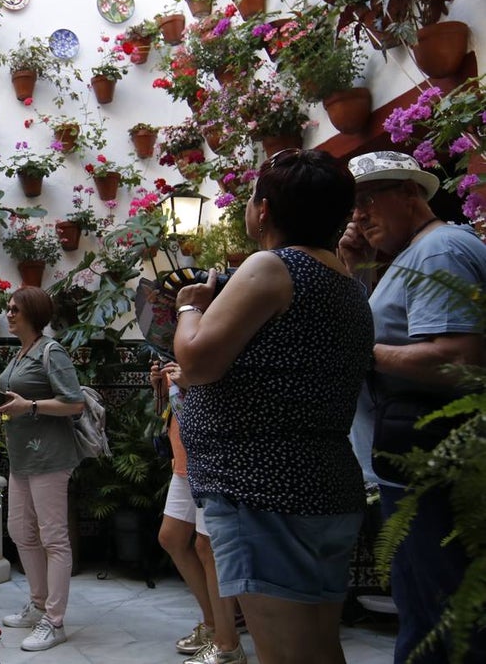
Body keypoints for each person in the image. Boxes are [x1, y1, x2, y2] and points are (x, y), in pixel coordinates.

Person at [173, 148, 373, 664]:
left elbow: (196, 362)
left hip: (265, 490)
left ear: (264, 211)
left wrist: (190, 308)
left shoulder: (272, 267)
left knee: (285, 655)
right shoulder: (346, 282)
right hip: (318, 484)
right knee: (317, 647)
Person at [338, 150, 486, 664]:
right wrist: (353, 268)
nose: (357, 215)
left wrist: (360, 353)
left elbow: (458, 358)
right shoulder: (411, 257)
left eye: (367, 200)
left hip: (434, 461)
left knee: (440, 618)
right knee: (424, 610)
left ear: (411, 194)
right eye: (351, 206)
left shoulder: (438, 251)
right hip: (416, 459)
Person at [0, 286, 85, 652]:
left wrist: (29, 406)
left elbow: (74, 403)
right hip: (22, 458)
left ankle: (55, 620)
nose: (9, 313)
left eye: (15, 309)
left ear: (32, 312)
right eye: (8, 308)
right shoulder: (22, 352)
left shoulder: (52, 351)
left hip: (49, 458)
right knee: (20, 531)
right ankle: (38, 603)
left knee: (53, 538)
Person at [151, 360, 244, 664]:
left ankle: (227, 644)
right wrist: (164, 385)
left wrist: (192, 382)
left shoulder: (220, 325)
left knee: (208, 548)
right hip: (185, 455)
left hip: (213, 455)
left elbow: (235, 389)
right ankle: (213, 624)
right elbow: (169, 410)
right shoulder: (186, 334)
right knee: (172, 537)